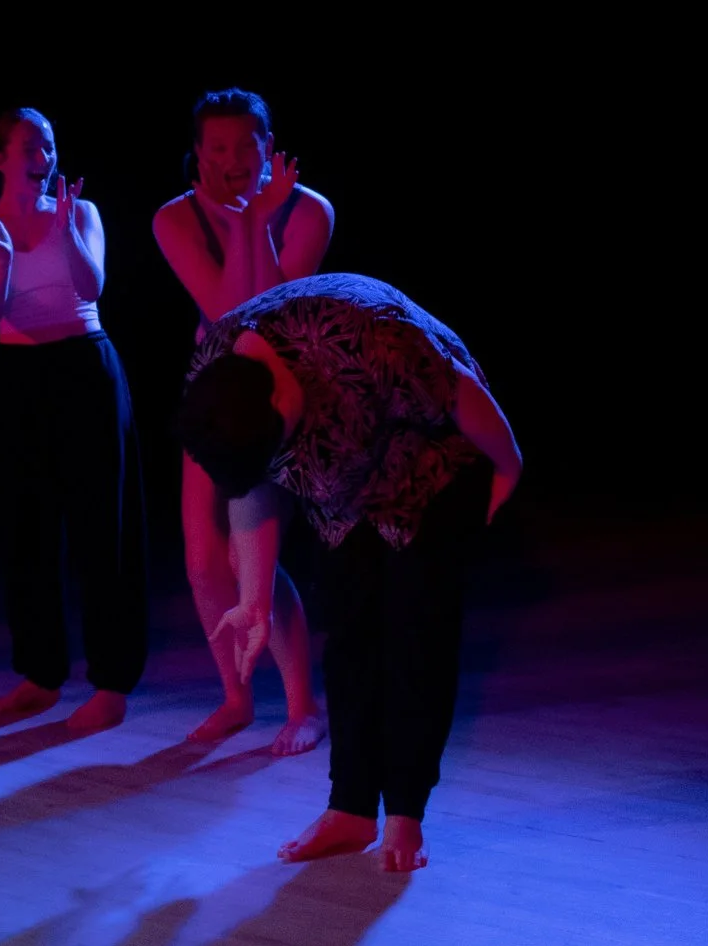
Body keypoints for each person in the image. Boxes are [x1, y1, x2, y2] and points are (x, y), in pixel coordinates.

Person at [177, 273, 522, 872]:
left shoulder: (367, 342)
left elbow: (460, 393)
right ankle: (351, 809)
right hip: (341, 489)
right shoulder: (217, 377)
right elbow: (252, 487)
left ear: (285, 404)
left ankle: (406, 813)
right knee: (349, 635)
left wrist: (508, 467)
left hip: (431, 463)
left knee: (415, 636)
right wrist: (255, 598)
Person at [151, 88, 334, 755]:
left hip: (278, 395)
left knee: (248, 555)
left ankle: (302, 706)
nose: (233, 160)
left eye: (246, 146)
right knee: (203, 561)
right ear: (198, 156)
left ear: (269, 146)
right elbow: (223, 312)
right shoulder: (174, 219)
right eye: (218, 148)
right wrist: (245, 221)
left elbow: (269, 311)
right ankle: (235, 698)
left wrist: (252, 221)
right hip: (212, 388)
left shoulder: (309, 210)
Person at [0, 106, 146, 734]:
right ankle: (40, 675)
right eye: (31, 145)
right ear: (0, 159)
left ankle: (112, 682)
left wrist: (64, 232)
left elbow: (92, 288)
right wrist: (4, 256)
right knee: (27, 530)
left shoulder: (80, 212)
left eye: (50, 144)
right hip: (19, 376)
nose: (45, 155)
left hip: (85, 368)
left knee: (101, 528)